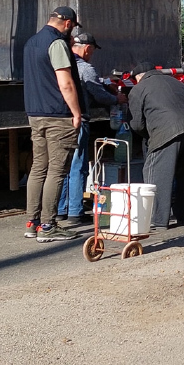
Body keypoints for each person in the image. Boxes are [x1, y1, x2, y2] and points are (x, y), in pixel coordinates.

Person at [23, 6, 84, 242]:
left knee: (39, 168)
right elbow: (65, 83)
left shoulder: (31, 43)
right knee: (57, 171)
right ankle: (48, 225)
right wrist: (76, 113)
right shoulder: (56, 44)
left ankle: (32, 222)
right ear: (68, 23)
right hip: (58, 115)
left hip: (35, 114)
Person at [57, 31, 120, 226]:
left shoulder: (62, 66)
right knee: (78, 165)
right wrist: (117, 98)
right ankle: (75, 211)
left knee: (62, 166)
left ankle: (61, 209)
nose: (91, 54)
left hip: (59, 120)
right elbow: (99, 95)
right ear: (87, 48)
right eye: (91, 51)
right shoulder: (85, 68)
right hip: (79, 119)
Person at [128, 60, 184, 229]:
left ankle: (158, 220)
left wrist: (148, 136)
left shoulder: (139, 89)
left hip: (166, 131)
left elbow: (137, 124)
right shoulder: (177, 83)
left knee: (156, 174)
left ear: (139, 77)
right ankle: (181, 214)